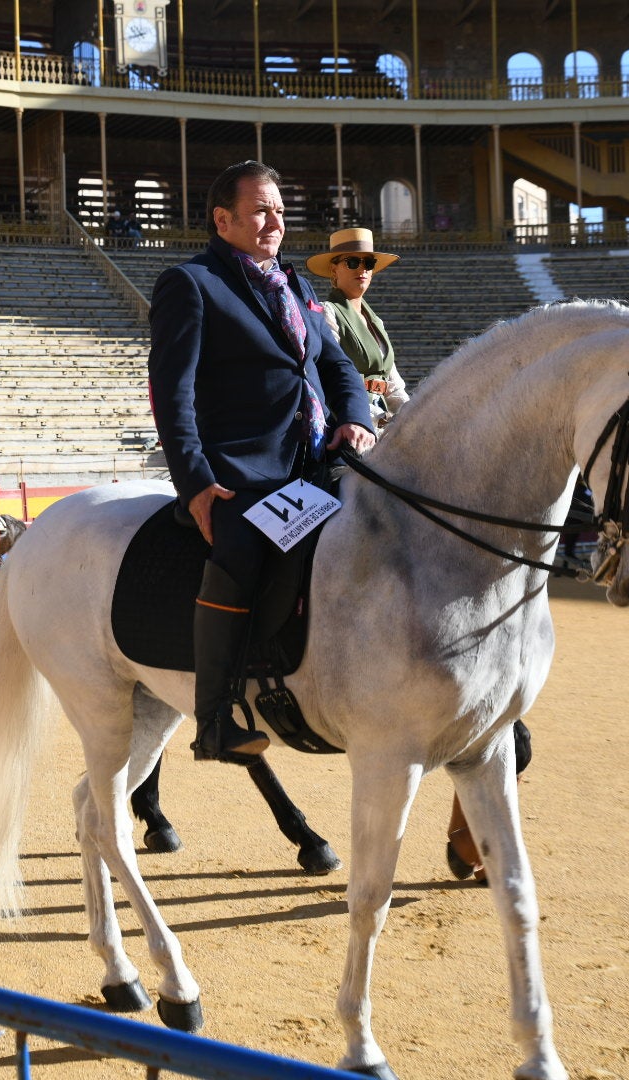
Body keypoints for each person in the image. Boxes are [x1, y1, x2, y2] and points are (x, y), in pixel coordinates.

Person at [148, 160, 376, 764]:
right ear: (223, 219)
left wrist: (357, 418)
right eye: (259, 210)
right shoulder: (190, 283)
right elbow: (171, 394)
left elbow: (336, 366)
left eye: (278, 209)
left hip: (318, 462)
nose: (274, 220)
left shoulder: (294, 283)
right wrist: (196, 483)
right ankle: (216, 717)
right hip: (244, 473)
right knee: (242, 553)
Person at [306, 227, 408, 426]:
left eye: (368, 263)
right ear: (334, 270)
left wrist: (411, 414)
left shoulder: (376, 321)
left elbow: (394, 386)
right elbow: (330, 375)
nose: (362, 269)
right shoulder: (327, 313)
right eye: (352, 262)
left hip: (384, 419)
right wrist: (376, 418)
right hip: (350, 419)